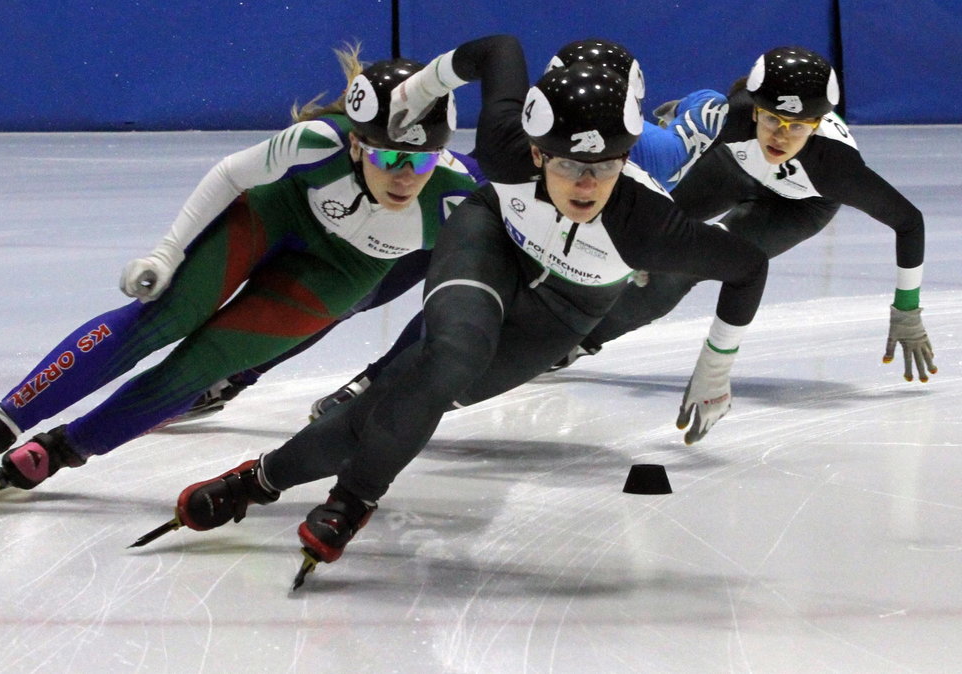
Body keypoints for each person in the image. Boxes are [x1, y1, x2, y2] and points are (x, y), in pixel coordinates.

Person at [151, 35, 768, 573]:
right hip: (491, 239)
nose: (586, 185)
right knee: (450, 358)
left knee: (411, 389)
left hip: (571, 304)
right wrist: (426, 84)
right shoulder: (503, 146)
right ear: (532, 151)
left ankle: (258, 480)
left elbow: (748, 266)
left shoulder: (649, 226)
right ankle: (352, 500)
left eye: (605, 166)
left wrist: (716, 364)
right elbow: (499, 48)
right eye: (567, 165)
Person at [0, 47, 482, 496]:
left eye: (422, 160)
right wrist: (165, 255)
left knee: (202, 366)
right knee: (167, 316)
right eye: (388, 158)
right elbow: (229, 174)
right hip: (276, 213)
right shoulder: (318, 143)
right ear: (357, 143)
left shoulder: (456, 198)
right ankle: (1, 421)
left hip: (344, 271)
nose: (405, 176)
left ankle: (64, 449)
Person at [167, 37, 726, 424]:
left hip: (531, 246)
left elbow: (700, 125)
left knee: (442, 315)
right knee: (359, 292)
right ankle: (248, 373)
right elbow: (705, 116)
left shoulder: (652, 151)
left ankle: (370, 383)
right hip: (474, 210)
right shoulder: (614, 141)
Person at [555, 46, 936, 382]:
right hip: (736, 167)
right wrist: (687, 129)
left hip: (798, 206)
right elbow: (700, 110)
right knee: (642, 220)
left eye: (799, 127)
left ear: (817, 125)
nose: (781, 137)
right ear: (754, 111)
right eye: (772, 119)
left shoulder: (834, 166)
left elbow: (909, 222)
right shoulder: (733, 116)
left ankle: (576, 343)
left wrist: (907, 308)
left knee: (681, 268)